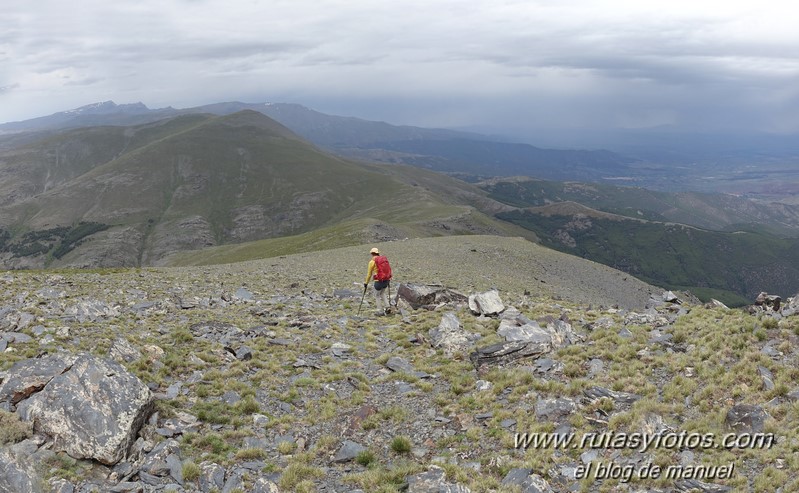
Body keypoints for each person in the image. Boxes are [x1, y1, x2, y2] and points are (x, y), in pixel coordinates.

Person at [364, 247, 392, 316]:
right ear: (378, 253)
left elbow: (369, 274)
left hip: (378, 281)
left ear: (372, 254)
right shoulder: (383, 260)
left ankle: (380, 310)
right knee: (382, 293)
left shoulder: (372, 262)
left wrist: (366, 283)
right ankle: (388, 307)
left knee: (377, 295)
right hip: (386, 280)